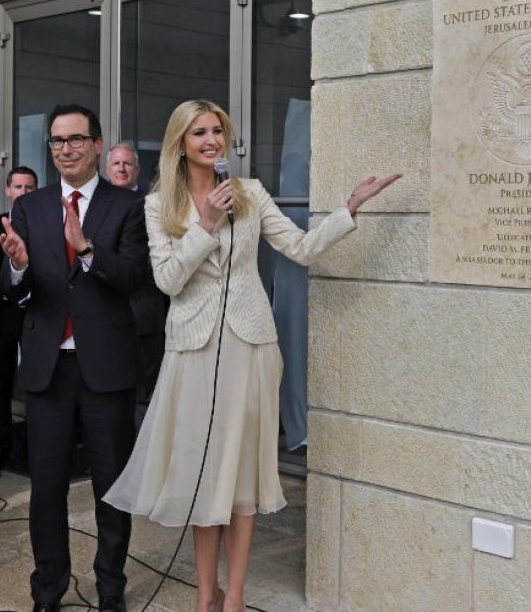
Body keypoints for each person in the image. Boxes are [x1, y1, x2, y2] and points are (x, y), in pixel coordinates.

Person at [103, 99, 400, 612]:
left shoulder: (252, 194)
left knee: (240, 475)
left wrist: (347, 211)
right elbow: (168, 281)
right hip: (192, 351)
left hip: (250, 347)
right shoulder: (157, 206)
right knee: (202, 474)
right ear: (181, 142)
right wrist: (206, 224)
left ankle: (235, 595)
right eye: (199, 133)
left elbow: (302, 249)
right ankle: (205, 593)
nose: (211, 140)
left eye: (217, 130)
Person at [0, 104, 147, 612]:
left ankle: (110, 589)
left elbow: (132, 277)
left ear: (98, 145)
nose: (65, 149)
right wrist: (17, 269)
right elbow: (13, 292)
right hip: (47, 367)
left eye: (76, 139)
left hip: (105, 366)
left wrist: (86, 250)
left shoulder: (127, 205)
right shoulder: (30, 206)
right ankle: (48, 589)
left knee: (111, 488)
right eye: (57, 141)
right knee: (46, 489)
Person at [105, 144, 168, 432]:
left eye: (127, 164)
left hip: (144, 312)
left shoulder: (153, 205)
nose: (121, 168)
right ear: (107, 170)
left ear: (137, 169)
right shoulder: (96, 206)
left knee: (145, 393)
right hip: (104, 313)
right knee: (108, 392)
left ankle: (142, 462)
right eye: (116, 164)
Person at [0, 166, 37, 463]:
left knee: (36, 382)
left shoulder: (45, 225)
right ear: (7, 190)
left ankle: (33, 445)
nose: (23, 193)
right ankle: (0, 447)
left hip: (34, 315)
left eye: (29, 188)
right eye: (18, 187)